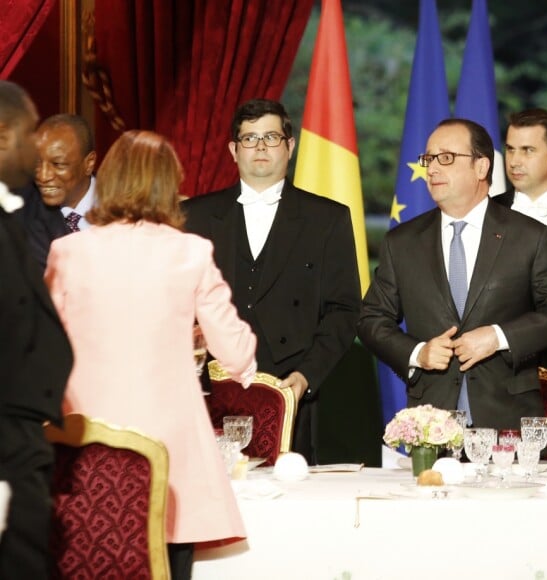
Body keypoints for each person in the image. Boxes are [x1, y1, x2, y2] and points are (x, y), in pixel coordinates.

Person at [45, 130, 257, 580]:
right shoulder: (191, 252)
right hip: (170, 457)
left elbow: (38, 346)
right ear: (168, 185)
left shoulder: (66, 252)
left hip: (82, 452)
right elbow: (235, 353)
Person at [358, 118, 547, 432]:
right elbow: (371, 319)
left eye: (446, 158)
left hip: (508, 425)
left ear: (481, 167)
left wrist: (499, 337)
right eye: (428, 159)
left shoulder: (528, 236)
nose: (432, 169)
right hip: (430, 426)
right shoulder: (403, 241)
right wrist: (418, 353)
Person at [182, 98, 361, 465]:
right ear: (233, 150)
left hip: (290, 391)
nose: (260, 147)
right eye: (249, 139)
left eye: (271, 137)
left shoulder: (328, 219)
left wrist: (306, 376)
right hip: (207, 393)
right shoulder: (192, 217)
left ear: (290, 146)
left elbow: (344, 312)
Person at [0, 81, 73, 577]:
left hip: (21, 440)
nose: (38, 147)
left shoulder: (12, 215)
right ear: (4, 135)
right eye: (31, 134)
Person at [494, 108, 547, 374]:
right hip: (495, 383)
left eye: (528, 150)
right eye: (510, 149)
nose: (515, 161)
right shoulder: (482, 216)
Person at [15, 113, 97, 270]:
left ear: (89, 163)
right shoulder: (19, 213)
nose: (43, 176)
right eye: (37, 163)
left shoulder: (127, 205)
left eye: (58, 164)